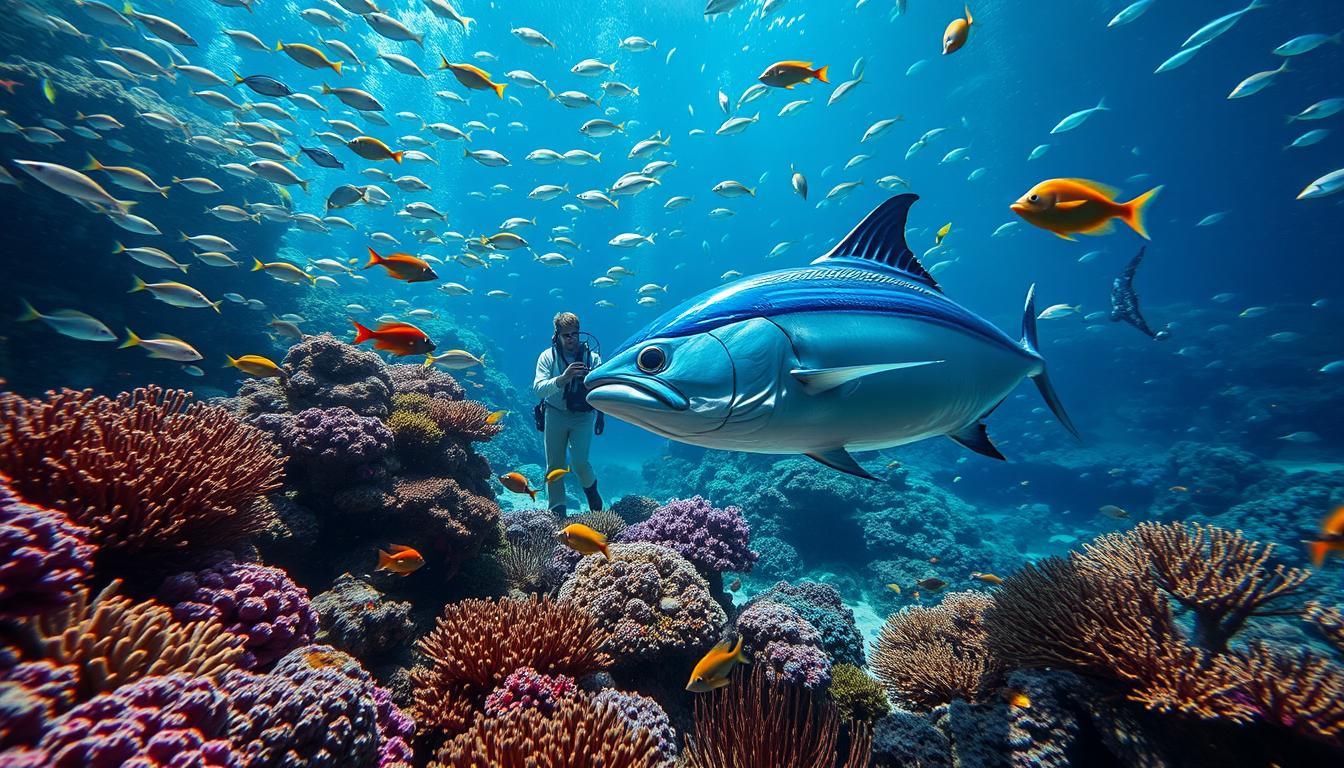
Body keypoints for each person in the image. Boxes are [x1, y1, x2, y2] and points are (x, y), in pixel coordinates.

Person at [533, 312, 604, 516]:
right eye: (566, 335)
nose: (571, 339)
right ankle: (557, 515)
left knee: (580, 463)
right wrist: (563, 378)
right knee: (555, 466)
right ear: (557, 335)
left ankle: (593, 498)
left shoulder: (593, 358)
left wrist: (601, 415)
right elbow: (538, 389)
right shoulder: (548, 357)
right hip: (555, 413)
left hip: (583, 416)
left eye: (575, 334)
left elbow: (602, 389)